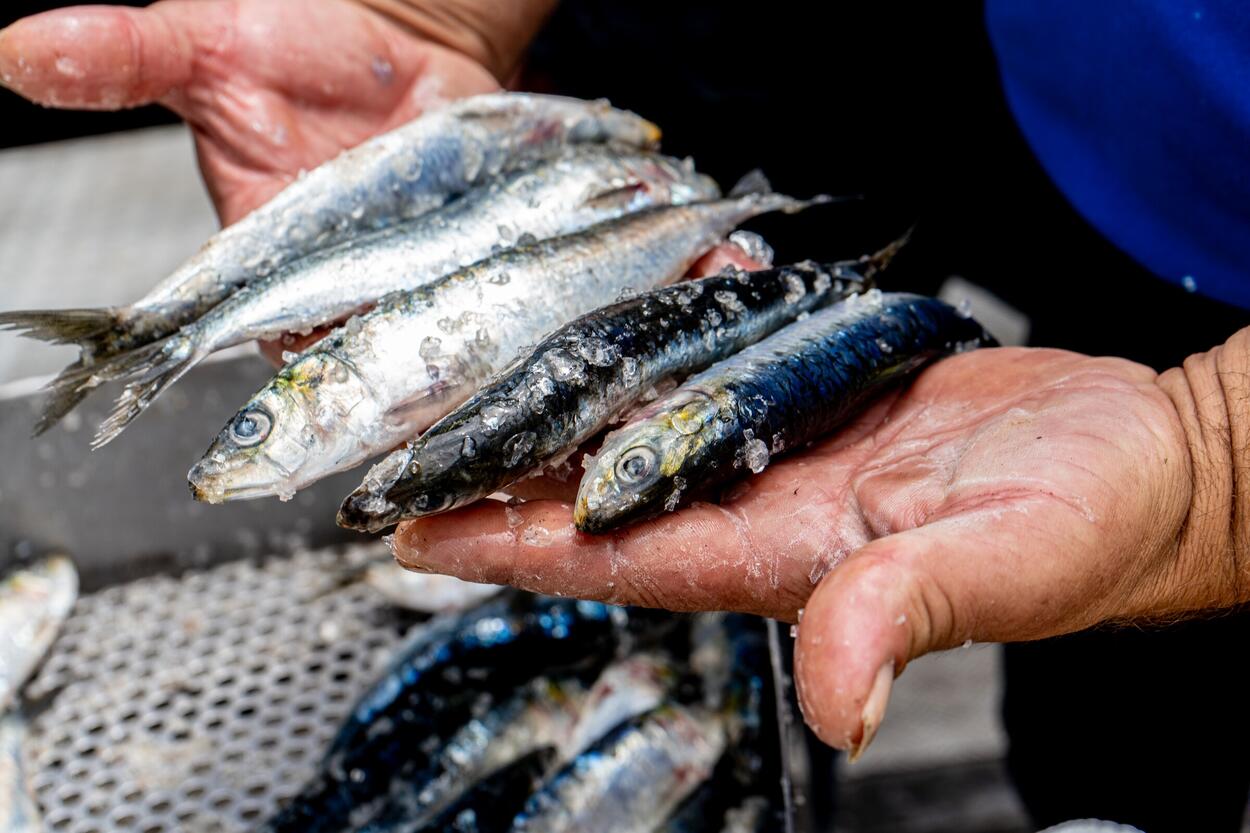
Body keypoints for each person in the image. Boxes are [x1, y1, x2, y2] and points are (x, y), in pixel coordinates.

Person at [2, 1, 1247, 829]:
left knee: (1140, 669)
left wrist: (1216, 462)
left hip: (1206, 233)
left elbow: (1199, 451)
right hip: (1057, 84)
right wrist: (445, 14)